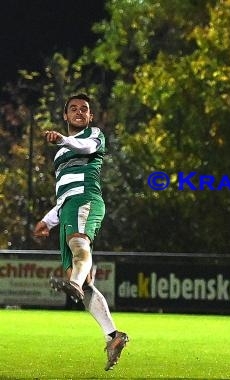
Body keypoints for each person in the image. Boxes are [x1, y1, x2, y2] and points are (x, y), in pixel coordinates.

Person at [33, 93, 128, 371]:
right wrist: (48, 221)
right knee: (86, 283)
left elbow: (86, 147)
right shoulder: (61, 154)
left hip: (86, 199)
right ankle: (114, 336)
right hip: (68, 207)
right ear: (65, 116)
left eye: (84, 109)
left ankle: (73, 282)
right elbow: (64, 192)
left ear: (90, 116)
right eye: (73, 108)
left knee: (78, 246)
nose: (78, 112)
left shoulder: (93, 135)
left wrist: (63, 139)